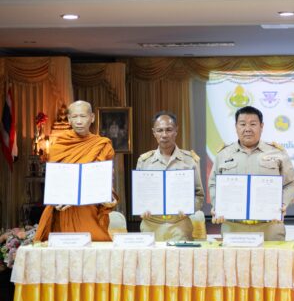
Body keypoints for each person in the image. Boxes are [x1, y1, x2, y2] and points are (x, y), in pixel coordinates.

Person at [208, 106, 294, 241]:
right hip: (233, 227)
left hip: (270, 226)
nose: (247, 129)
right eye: (242, 124)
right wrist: (218, 205)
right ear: (236, 127)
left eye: (253, 124)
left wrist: (283, 204)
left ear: (261, 126)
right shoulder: (223, 154)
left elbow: (291, 183)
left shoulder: (277, 153)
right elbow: (213, 183)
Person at [34, 100, 117, 241]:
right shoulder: (60, 145)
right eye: (74, 117)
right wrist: (57, 199)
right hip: (66, 211)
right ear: (69, 119)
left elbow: (107, 180)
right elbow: (55, 181)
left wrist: (110, 196)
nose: (79, 121)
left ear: (92, 117)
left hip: (90, 209)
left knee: (95, 247)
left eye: (83, 116)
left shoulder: (102, 145)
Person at [137, 111, 205, 241]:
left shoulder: (190, 160)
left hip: (180, 225)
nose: (164, 135)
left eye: (168, 130)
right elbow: (139, 194)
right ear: (154, 132)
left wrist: (189, 208)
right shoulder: (144, 161)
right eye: (160, 130)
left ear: (176, 131)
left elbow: (199, 195)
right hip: (151, 225)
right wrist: (141, 208)